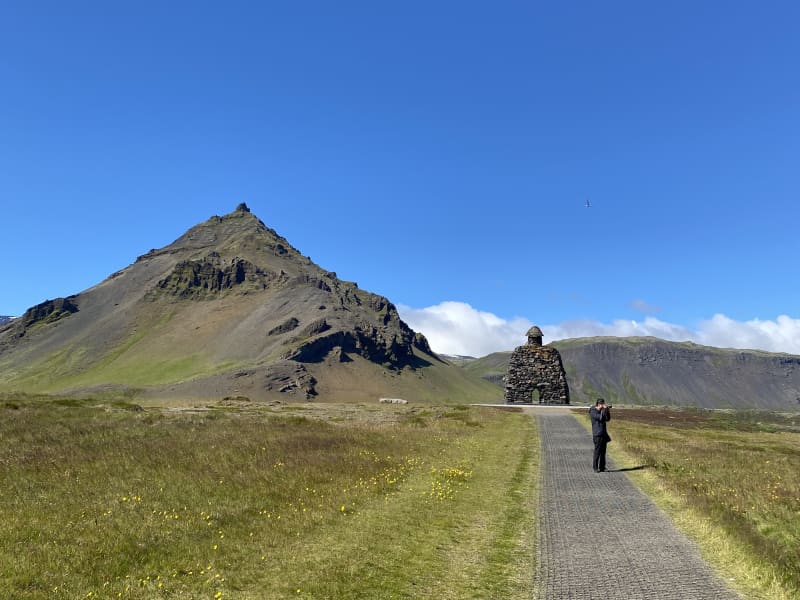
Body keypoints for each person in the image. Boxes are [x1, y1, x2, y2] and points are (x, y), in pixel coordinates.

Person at [589, 398, 612, 472]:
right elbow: (600, 418)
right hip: (597, 434)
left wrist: (607, 410)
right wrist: (603, 410)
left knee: (603, 452)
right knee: (597, 451)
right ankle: (595, 467)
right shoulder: (593, 411)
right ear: (598, 404)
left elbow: (607, 419)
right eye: (602, 404)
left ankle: (602, 467)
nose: (603, 405)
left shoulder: (602, 410)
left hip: (603, 434)